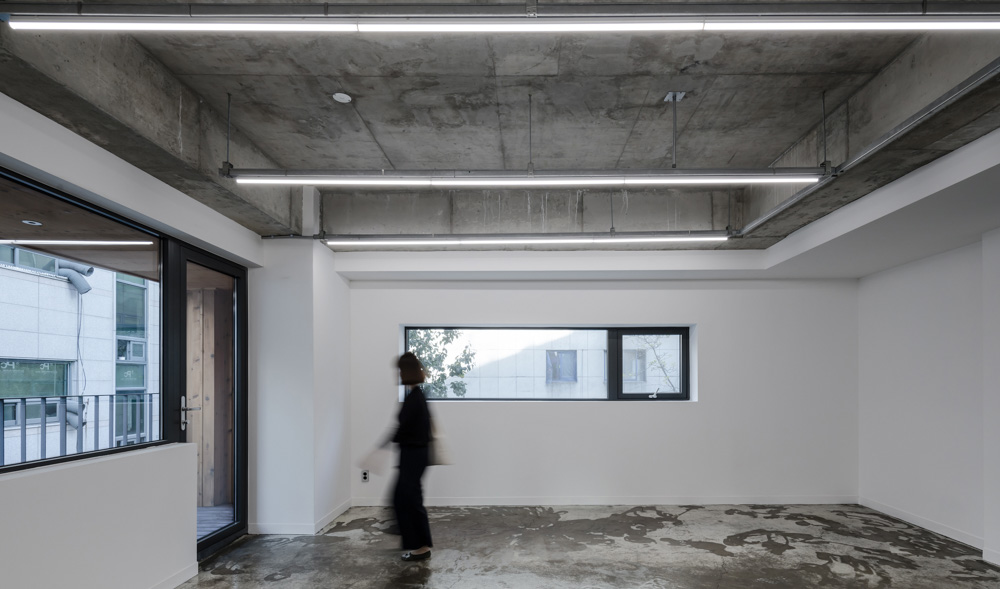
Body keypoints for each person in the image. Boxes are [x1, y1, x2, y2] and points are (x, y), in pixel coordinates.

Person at [393, 352, 434, 561]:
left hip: (414, 455)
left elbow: (410, 430)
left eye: (401, 370)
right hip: (413, 455)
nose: (399, 374)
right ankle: (414, 540)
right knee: (404, 498)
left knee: (409, 499)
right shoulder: (415, 396)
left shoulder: (416, 398)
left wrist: (394, 437)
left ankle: (421, 546)